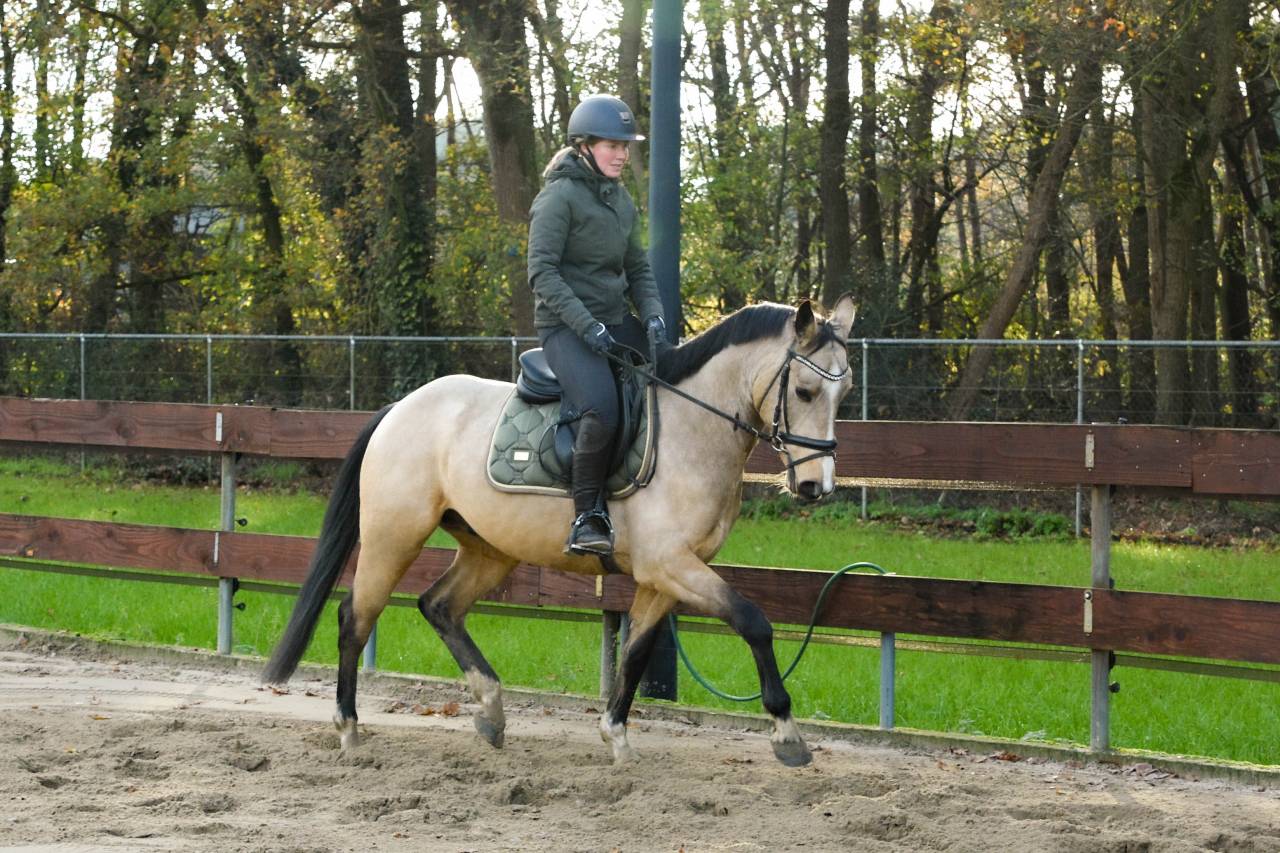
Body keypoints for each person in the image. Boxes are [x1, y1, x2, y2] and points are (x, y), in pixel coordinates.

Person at [527, 94, 667, 556]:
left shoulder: (621, 200)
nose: (623, 154)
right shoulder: (557, 198)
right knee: (602, 408)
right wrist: (587, 328)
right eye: (613, 145)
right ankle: (587, 515)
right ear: (585, 145)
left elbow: (638, 268)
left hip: (610, 322)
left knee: (671, 376)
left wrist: (652, 315)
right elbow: (542, 273)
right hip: (566, 329)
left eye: (626, 146)